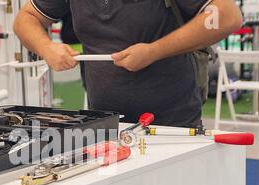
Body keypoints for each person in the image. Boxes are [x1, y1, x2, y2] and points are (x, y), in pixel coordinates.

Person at [14, 0, 242, 126]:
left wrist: (154, 51)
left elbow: (227, 15)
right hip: (104, 123)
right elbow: (26, 18)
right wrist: (46, 48)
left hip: (171, 125)